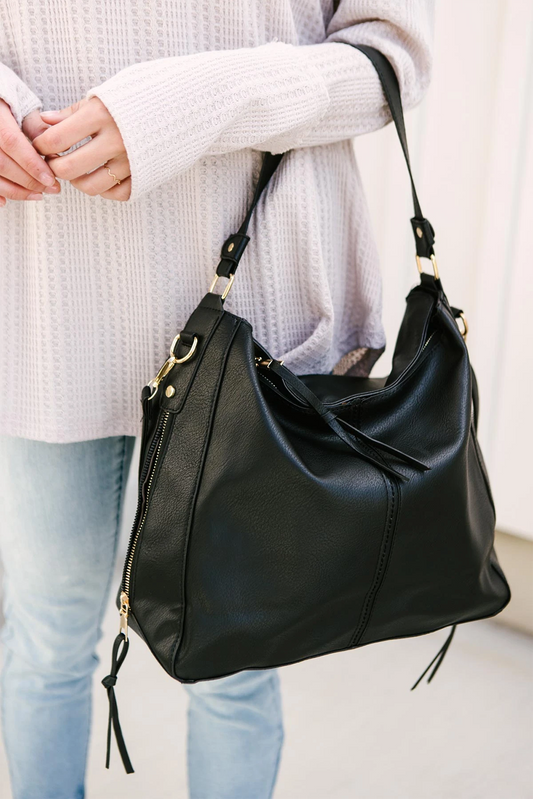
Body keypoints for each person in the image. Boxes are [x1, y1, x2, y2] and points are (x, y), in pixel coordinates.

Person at [0, 1, 434, 797]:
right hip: (45, 299)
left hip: (252, 296)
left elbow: (390, 56)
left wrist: (192, 105)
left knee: (233, 658)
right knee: (42, 644)